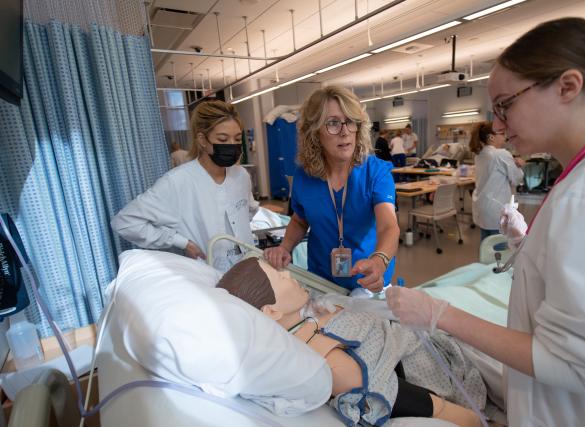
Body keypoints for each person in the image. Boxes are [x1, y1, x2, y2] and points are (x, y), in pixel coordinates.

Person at [387, 17, 585, 427]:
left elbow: (578, 364)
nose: (498, 125)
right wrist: (531, 245)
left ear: (568, 87)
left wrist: (439, 313)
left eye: (505, 104)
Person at [217, 257, 485, 427]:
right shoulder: (316, 354)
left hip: (414, 329)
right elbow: (387, 390)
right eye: (279, 277)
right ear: (271, 312)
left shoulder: (306, 317)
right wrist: (469, 419)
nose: (288, 274)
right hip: (420, 358)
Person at [263, 86, 399, 293]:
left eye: (350, 121)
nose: (344, 131)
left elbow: (388, 226)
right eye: (333, 123)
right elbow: (300, 220)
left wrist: (380, 260)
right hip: (321, 281)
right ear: (315, 132)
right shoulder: (304, 176)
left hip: (368, 282)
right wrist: (284, 248)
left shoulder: (375, 172)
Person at [111, 100, 259, 271]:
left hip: (248, 266)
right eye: (223, 139)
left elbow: (248, 210)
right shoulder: (178, 182)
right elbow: (124, 222)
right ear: (203, 140)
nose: (232, 145)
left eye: (237, 139)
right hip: (208, 274)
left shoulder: (240, 175)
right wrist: (181, 242)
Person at [469, 121, 524, 245]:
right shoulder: (501, 154)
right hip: (496, 209)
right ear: (491, 137)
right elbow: (517, 179)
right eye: (502, 134)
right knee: (498, 249)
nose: (505, 137)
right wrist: (519, 166)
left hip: (482, 206)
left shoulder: (479, 155)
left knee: (487, 246)